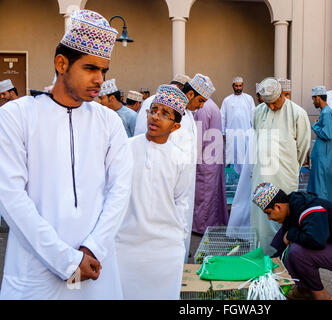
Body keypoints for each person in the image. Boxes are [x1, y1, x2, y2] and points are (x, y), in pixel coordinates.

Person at [0, 10, 133, 299]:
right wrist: (67, 259)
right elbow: (10, 197)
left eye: (104, 71)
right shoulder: (16, 116)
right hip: (36, 271)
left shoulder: (109, 122)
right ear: (62, 63)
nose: (100, 80)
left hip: (96, 267)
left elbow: (121, 189)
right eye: (90, 69)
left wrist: (93, 248)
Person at [115, 84, 190, 300]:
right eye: (153, 110)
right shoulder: (125, 148)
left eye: (164, 114)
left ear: (175, 126)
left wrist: (179, 239)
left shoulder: (181, 158)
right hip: (125, 246)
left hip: (165, 250)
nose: (155, 117)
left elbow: (181, 202)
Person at [252, 182, 332, 300]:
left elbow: (317, 241)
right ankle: (304, 290)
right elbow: (280, 250)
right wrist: (266, 270)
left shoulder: (309, 209)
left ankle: (321, 295)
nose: (269, 218)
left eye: (269, 213)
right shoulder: (293, 208)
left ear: (278, 206)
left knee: (298, 251)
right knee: (287, 239)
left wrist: (291, 234)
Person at [251, 77, 311, 256]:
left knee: (281, 217)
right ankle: (262, 255)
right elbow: (257, 139)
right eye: (267, 103)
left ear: (282, 95)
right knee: (261, 217)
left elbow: (303, 146)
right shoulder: (258, 111)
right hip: (261, 174)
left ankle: (282, 258)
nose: (270, 107)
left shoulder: (297, 113)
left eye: (274, 103)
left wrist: (290, 168)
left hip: (284, 176)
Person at [171, 73, 215, 262]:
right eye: (201, 100)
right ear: (189, 95)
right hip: (172, 183)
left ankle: (182, 255)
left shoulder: (188, 114)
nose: (202, 105)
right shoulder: (173, 112)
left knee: (184, 223)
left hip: (185, 184)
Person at [192, 98, 228, 234]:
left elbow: (199, 138)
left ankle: (200, 227)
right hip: (214, 158)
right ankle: (212, 223)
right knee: (213, 193)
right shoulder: (213, 105)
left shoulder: (203, 108)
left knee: (204, 195)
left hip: (205, 159)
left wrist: (192, 158)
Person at [307, 86, 332, 206]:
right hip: (322, 157)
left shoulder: (326, 112)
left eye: (313, 99)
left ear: (318, 98)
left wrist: (315, 126)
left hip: (324, 159)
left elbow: (327, 134)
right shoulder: (325, 112)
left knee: (322, 188)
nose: (313, 102)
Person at [220, 76, 255, 175]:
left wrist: (253, 132)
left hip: (246, 134)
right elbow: (222, 117)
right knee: (233, 156)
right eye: (236, 86)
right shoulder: (227, 100)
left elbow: (253, 116)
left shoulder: (249, 99)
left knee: (245, 157)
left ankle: (245, 178)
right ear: (233, 86)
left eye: (240, 86)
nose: (238, 88)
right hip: (231, 135)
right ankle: (233, 181)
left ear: (243, 86)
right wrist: (223, 132)